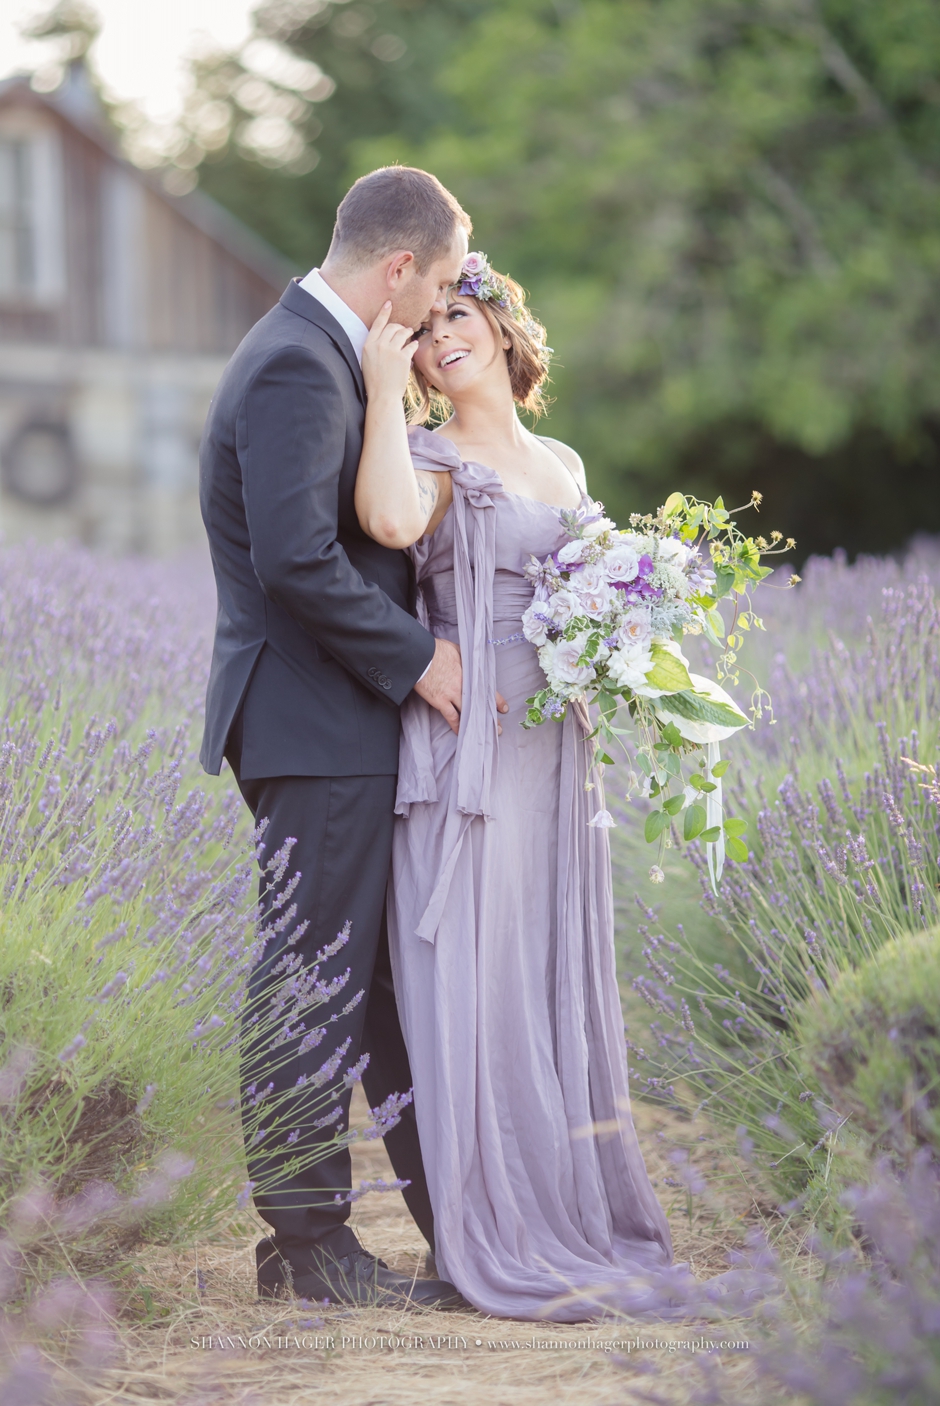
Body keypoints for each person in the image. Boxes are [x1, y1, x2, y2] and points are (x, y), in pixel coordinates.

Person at [353, 253, 675, 1320]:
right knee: (476, 979)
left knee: (543, 970)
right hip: (472, 743)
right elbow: (390, 524)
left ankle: (573, 1206)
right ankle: (498, 1225)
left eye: (459, 312)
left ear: (499, 325)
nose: (443, 335)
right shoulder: (428, 456)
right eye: (425, 327)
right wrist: (379, 392)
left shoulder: (563, 461)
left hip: (557, 747)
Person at [198, 166, 478, 1309]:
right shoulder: (294, 363)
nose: (442, 307)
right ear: (399, 266)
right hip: (310, 719)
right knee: (310, 977)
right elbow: (295, 560)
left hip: (329, 719)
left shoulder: (326, 352)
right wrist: (421, 658)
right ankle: (308, 1245)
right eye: (442, 283)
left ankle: (443, 1228)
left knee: (361, 981)